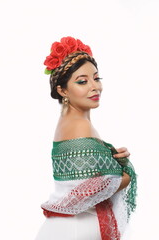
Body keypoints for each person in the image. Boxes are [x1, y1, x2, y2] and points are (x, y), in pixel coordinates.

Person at [35, 36, 137, 240]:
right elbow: (88, 189)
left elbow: (88, 175)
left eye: (96, 78)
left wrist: (113, 158)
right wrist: (125, 174)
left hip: (68, 229)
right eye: (82, 81)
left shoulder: (72, 122)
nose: (95, 87)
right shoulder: (78, 125)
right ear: (62, 90)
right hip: (72, 231)